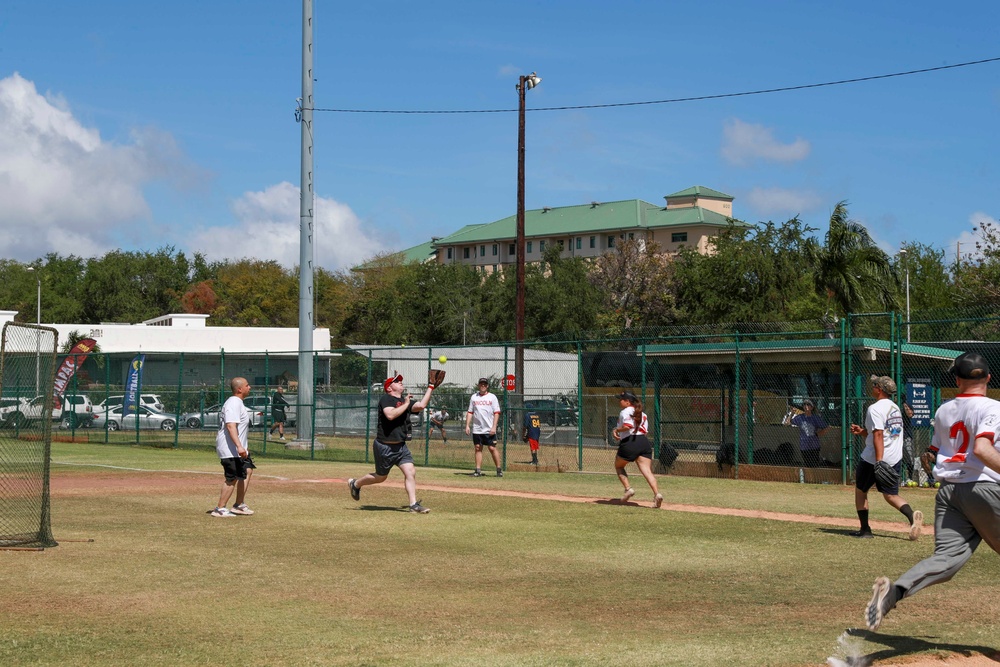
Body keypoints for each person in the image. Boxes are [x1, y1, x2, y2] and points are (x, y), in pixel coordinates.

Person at [866, 352, 1000, 631]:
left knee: (946, 560)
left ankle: (893, 593)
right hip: (983, 488)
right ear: (988, 378)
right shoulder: (993, 408)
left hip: (949, 492)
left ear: (957, 380)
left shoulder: (944, 409)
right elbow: (981, 448)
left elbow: (936, 451)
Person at [848, 375, 922, 540]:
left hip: (873, 458)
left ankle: (865, 530)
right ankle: (912, 516)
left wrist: (879, 461)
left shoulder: (875, 408)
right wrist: (862, 432)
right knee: (891, 495)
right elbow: (886, 433)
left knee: (861, 491)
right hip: (894, 457)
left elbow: (879, 435)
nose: (872, 386)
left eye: (874, 384)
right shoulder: (895, 408)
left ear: (879, 389)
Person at [348, 373, 434, 513]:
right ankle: (356, 484)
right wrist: (406, 404)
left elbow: (421, 405)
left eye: (400, 381)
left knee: (410, 471)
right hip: (385, 446)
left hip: (400, 446)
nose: (400, 382)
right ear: (389, 388)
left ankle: (413, 505)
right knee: (381, 477)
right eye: (396, 381)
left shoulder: (404, 400)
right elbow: (390, 415)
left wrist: (431, 387)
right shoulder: (386, 399)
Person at [211, 377, 255, 517]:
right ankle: (220, 508)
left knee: (247, 470)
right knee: (233, 478)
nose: (250, 388)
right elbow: (230, 426)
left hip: (238, 449)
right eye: (247, 385)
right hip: (230, 449)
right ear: (239, 389)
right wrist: (239, 446)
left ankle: (239, 505)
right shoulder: (233, 403)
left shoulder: (238, 403)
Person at [611, 391, 663, 508]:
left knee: (619, 466)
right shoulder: (642, 414)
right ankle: (657, 494)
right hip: (643, 443)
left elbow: (628, 426)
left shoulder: (625, 411)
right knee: (647, 471)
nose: (620, 401)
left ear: (627, 402)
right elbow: (645, 431)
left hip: (630, 442)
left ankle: (628, 489)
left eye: (621, 399)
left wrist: (616, 430)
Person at [465, 378, 503, 477]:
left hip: (489, 428)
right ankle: (478, 470)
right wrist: (467, 425)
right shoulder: (474, 397)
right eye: (481, 384)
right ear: (478, 385)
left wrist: (494, 427)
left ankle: (499, 470)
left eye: (485, 384)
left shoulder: (492, 397)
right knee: (478, 448)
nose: (483, 386)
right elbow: (470, 412)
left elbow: (497, 413)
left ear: (487, 386)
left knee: (491, 448)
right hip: (477, 429)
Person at [788, 399, 829, 468]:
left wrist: (818, 434)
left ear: (812, 407)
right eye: (804, 404)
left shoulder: (815, 418)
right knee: (807, 465)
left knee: (814, 465)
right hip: (804, 446)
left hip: (814, 446)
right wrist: (791, 413)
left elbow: (827, 427)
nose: (806, 406)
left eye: (808, 404)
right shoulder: (800, 417)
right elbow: (788, 423)